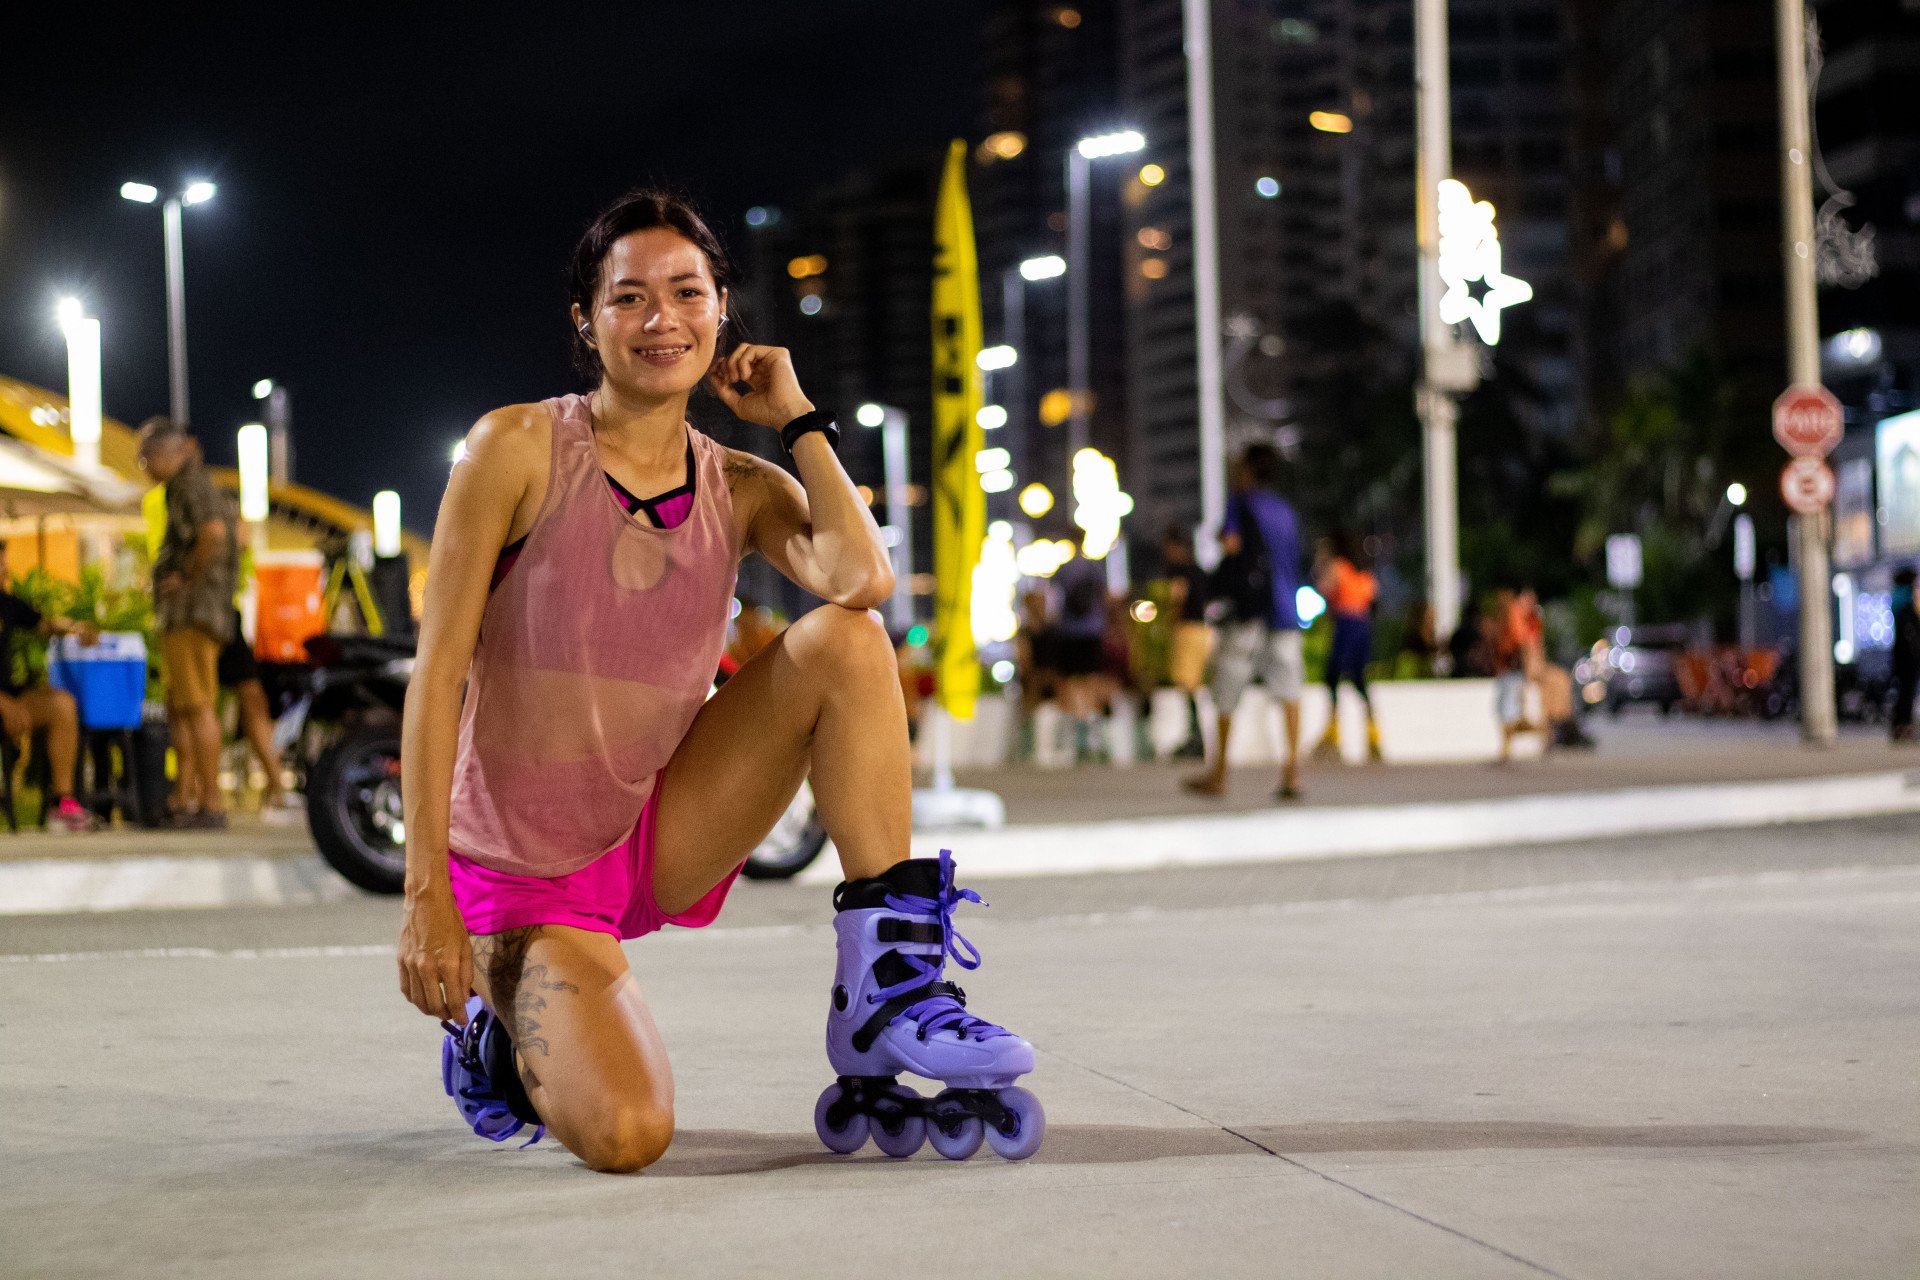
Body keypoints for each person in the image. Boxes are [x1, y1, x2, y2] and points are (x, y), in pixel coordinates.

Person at [398, 191, 1039, 1172]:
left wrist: (795, 415)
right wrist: (425, 894)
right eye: (630, 298)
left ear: (723, 310)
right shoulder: (517, 448)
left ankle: (886, 996)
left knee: (844, 640)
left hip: (659, 829)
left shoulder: (739, 486)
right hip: (524, 877)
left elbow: (861, 578)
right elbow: (436, 672)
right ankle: (497, 1038)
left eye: (687, 292)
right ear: (587, 320)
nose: (663, 319)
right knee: (627, 1133)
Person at [1185, 442, 1306, 800]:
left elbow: (1233, 544)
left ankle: (1219, 773)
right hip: (1285, 609)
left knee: (1227, 684)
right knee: (1289, 689)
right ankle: (1292, 772)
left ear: (1250, 468)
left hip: (1250, 610)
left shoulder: (1242, 502)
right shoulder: (1286, 511)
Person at [137, 420, 240, 829]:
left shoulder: (190, 485)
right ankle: (187, 797)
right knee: (182, 709)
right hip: (188, 614)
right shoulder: (185, 486)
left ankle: (210, 802)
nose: (143, 465)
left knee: (196, 708)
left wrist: (185, 578)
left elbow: (212, 534)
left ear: (175, 451)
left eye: (147, 456)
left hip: (192, 612)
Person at [0, 545, 101, 832]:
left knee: (62, 704)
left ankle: (63, 805)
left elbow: (45, 624)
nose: (5, 570)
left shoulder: (7, 604)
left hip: (11, 697)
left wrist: (76, 628)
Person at [1312, 531, 1382, 762]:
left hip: (1346, 625)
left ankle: (1333, 735)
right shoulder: (1363, 572)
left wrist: (1320, 567)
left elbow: (1324, 589)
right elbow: (1373, 599)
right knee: (1360, 680)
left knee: (1332, 677)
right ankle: (1373, 736)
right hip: (1363, 626)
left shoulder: (1339, 567)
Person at [1051, 535, 1111, 760]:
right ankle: (1093, 731)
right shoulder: (1095, 569)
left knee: (1069, 681)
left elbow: (1053, 599)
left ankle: (1071, 732)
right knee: (1091, 679)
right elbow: (1105, 598)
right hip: (1092, 631)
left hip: (1069, 632)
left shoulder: (1064, 570)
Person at [1161, 526, 1211, 758]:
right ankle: (1196, 735)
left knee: (1187, 685)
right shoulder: (1200, 570)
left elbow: (1177, 599)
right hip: (1203, 630)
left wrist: (1169, 620)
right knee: (1194, 685)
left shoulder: (1179, 571)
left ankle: (1195, 737)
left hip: (1187, 630)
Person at [1891, 566, 1918, 743]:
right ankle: (1904, 725)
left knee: (1903, 691)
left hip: (1900, 653)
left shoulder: (1896, 599)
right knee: (1907, 691)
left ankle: (1900, 725)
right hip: (1909, 655)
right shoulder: (1907, 602)